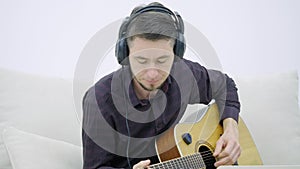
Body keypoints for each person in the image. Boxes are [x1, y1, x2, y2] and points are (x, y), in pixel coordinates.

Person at [82, 2, 241, 169]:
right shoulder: (98, 100)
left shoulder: (183, 74)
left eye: (162, 61)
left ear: (176, 54)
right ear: (125, 54)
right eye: (141, 61)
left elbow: (225, 86)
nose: (152, 74)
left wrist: (231, 129)